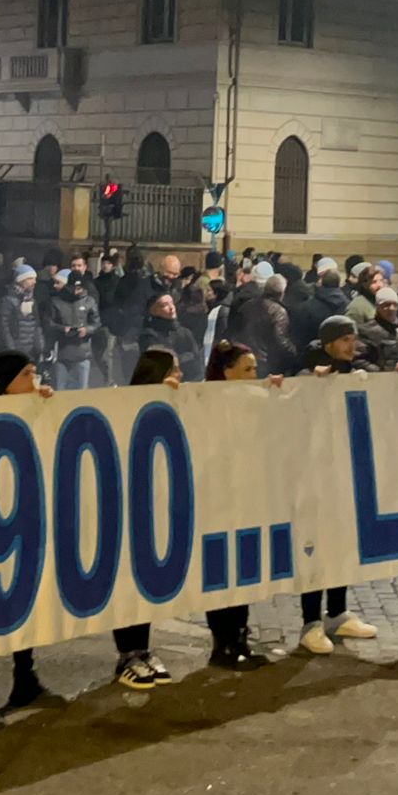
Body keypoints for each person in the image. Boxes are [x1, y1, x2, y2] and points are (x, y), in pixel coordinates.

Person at [0, 352, 59, 728]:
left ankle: (25, 679)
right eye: (27, 374)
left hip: (22, 522)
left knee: (25, 605)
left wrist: (44, 407)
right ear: (7, 382)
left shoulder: (31, 409)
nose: (35, 380)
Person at [296, 317, 383, 649]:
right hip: (315, 475)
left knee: (343, 543)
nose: (352, 345)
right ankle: (310, 622)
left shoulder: (354, 371)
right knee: (315, 547)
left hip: (346, 472)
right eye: (345, 339)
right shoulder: (307, 372)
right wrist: (310, 382)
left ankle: (337, 611)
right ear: (329, 343)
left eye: (353, 339)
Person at [200, 341, 280, 669]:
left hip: (246, 497)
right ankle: (223, 643)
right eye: (247, 369)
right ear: (226, 372)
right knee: (221, 572)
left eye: (255, 369)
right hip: (217, 499)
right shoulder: (203, 402)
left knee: (244, 570)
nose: (254, 375)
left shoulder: (254, 400)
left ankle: (240, 638)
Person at [113, 348, 183, 689]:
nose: (179, 376)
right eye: (174, 370)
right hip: (129, 508)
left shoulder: (177, 401)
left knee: (146, 584)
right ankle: (126, 655)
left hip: (156, 508)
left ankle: (142, 649)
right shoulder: (125, 406)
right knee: (127, 582)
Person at [41, 268, 101, 391]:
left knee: (81, 392)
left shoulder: (90, 301)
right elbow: (48, 323)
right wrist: (63, 329)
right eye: (74, 288)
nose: (76, 291)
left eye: (79, 288)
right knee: (60, 391)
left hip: (83, 354)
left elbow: (96, 323)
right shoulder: (56, 301)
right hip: (61, 354)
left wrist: (87, 330)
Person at [137, 292, 203, 376]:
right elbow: (162, 362)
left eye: (172, 303)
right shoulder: (148, 336)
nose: (171, 308)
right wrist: (184, 358)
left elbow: (197, 357)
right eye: (165, 305)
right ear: (153, 311)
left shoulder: (185, 332)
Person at [0, 265, 46, 358]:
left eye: (35, 279)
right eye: (30, 279)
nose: (34, 282)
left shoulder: (32, 300)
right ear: (21, 280)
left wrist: (40, 346)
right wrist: (11, 349)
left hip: (31, 352)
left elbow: (36, 324)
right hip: (14, 351)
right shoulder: (7, 300)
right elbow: (3, 327)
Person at [358, 287, 398, 371]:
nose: (391, 308)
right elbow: (359, 361)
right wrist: (383, 372)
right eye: (386, 305)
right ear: (377, 306)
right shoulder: (366, 331)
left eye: (395, 305)